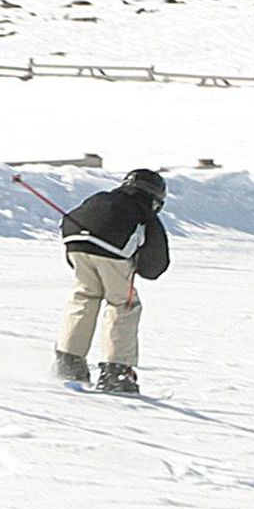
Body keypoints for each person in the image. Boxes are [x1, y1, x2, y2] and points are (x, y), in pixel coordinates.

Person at [56, 168, 170, 395]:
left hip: (75, 241)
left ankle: (69, 362)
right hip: (113, 252)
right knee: (123, 305)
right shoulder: (144, 211)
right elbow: (156, 263)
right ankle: (116, 372)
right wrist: (140, 267)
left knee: (85, 297)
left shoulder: (102, 197)